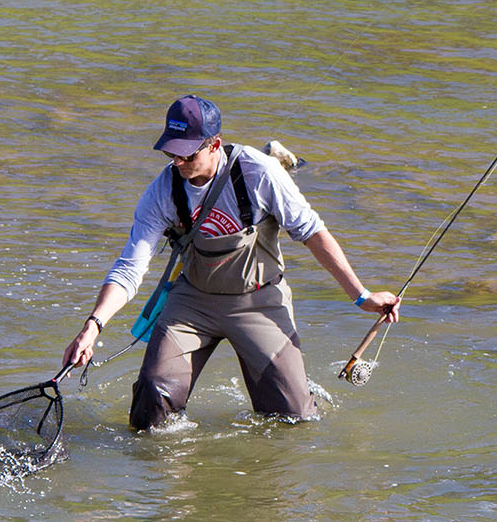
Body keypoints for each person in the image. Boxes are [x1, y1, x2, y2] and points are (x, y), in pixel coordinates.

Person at [60, 95, 398, 430]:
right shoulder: (162, 190)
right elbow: (131, 266)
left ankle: (301, 388)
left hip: (259, 301)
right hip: (192, 301)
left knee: (293, 420)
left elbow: (312, 233)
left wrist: (361, 296)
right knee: (149, 410)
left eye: (186, 153)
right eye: (170, 151)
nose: (176, 162)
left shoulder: (258, 173)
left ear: (214, 145)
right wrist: (94, 325)